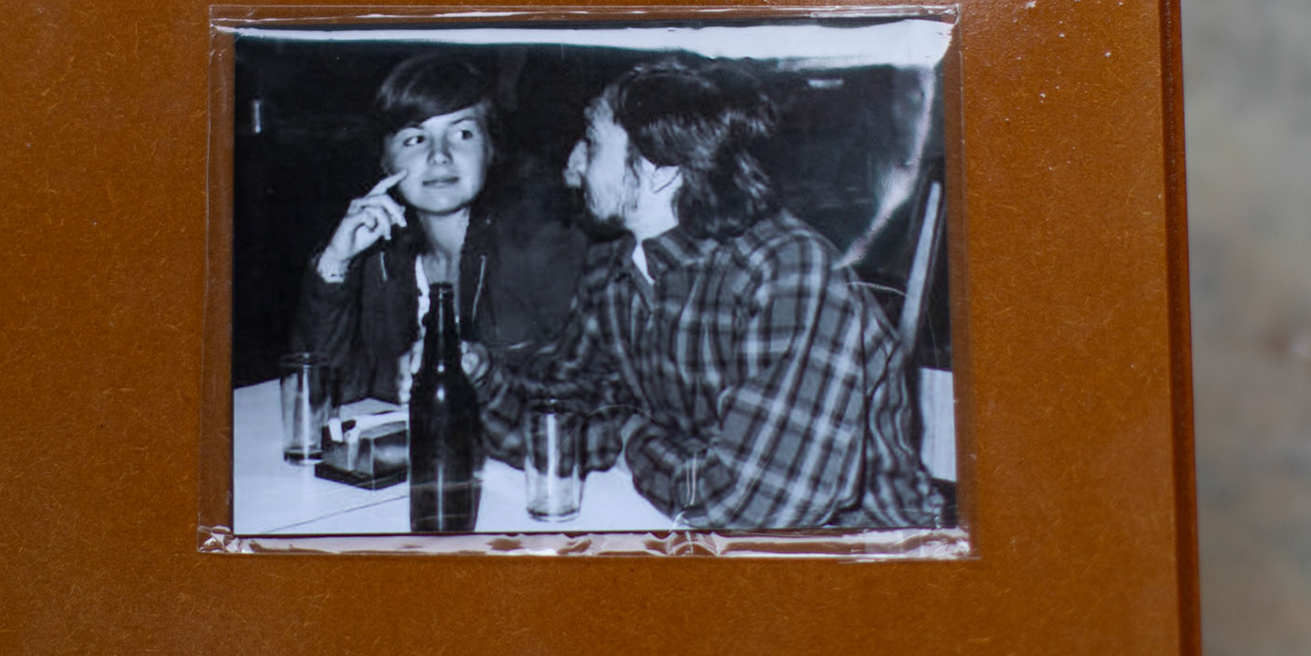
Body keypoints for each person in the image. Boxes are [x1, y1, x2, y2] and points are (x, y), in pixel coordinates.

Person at [554, 58, 944, 530]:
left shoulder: (787, 271)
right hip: (692, 534)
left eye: (592, 143)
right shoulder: (612, 267)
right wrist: (474, 374)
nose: (572, 164)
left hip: (859, 560)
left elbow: (756, 504)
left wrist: (628, 437)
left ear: (661, 171)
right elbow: (556, 414)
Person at [290, 52, 588, 411]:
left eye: (462, 133)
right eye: (415, 139)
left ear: (491, 149)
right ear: (385, 160)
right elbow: (326, 393)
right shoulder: (379, 258)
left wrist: (484, 373)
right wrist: (336, 263)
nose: (439, 156)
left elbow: (586, 389)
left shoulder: (540, 245)